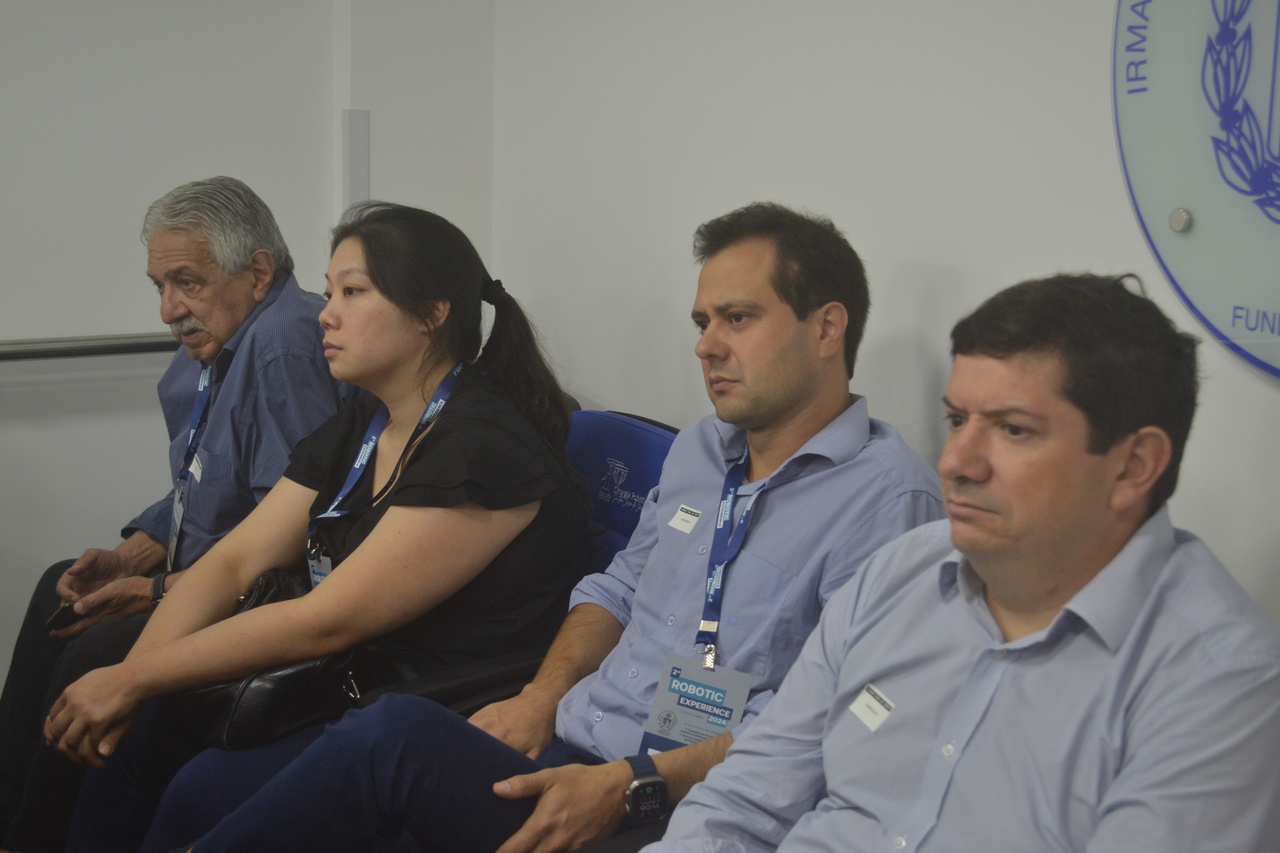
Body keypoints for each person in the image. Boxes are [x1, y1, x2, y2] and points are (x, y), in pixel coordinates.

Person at [150, 201, 944, 853]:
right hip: (572, 737)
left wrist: (633, 783)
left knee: (390, 739)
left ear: (827, 329)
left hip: (674, 802)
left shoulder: (887, 499)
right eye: (703, 320)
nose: (706, 345)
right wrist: (541, 695)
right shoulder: (704, 448)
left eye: (737, 318)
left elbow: (827, 722)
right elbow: (617, 588)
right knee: (217, 785)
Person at [649, 274, 1280, 852]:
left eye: (1013, 430)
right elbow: (743, 800)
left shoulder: (1218, 688)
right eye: (957, 420)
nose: (955, 461)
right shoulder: (902, 571)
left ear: (1134, 466)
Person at [46, 202, 589, 852]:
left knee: (198, 786)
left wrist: (129, 680)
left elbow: (327, 619)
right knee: (141, 726)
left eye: (352, 292)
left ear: (431, 313)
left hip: (437, 707)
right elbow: (234, 561)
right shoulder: (367, 421)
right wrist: (132, 678)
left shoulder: (482, 446)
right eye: (329, 293)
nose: (325, 314)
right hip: (354, 680)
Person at [0, 176, 346, 852]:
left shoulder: (282, 346)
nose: (168, 309)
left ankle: (36, 838)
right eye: (159, 286)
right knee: (59, 589)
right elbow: (201, 480)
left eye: (186, 283)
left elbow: (289, 542)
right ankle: (10, 816)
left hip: (252, 597)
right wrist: (130, 556)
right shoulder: (216, 343)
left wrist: (157, 590)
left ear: (258, 273)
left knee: (97, 647)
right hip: (199, 574)